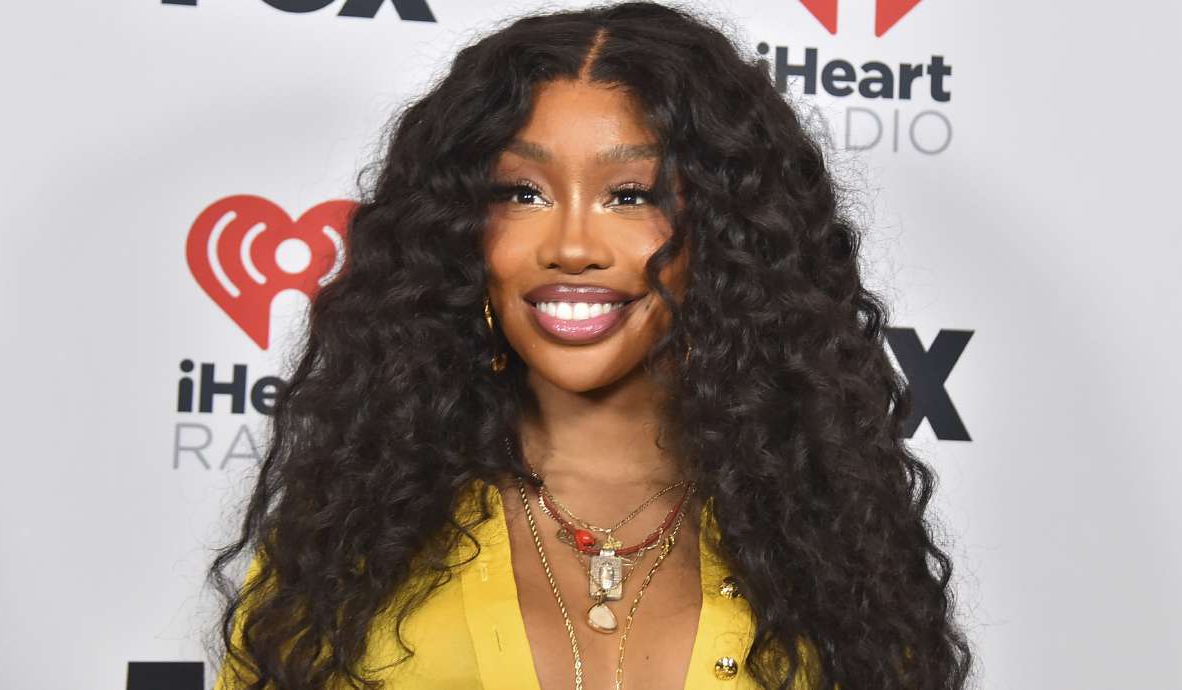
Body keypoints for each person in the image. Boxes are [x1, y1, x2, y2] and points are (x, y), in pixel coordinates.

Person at [206, 2, 973, 689]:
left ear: (724, 238)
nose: (572, 246)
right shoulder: (352, 538)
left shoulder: (827, 544)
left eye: (630, 195)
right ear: (460, 233)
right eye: (523, 193)